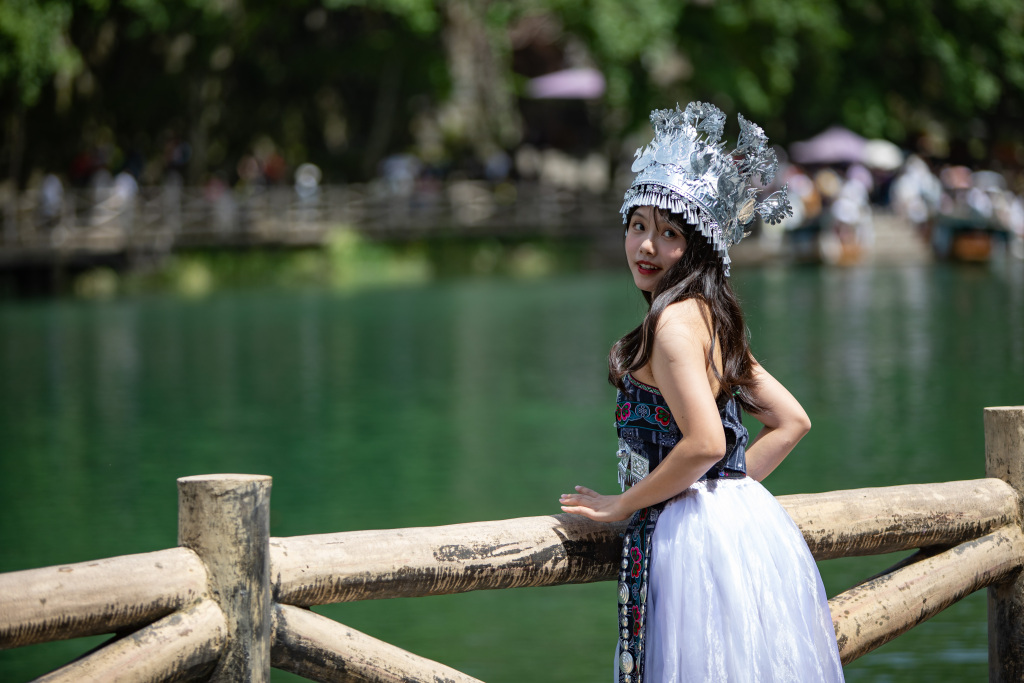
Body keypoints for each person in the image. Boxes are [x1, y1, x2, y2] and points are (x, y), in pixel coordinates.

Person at [559, 103, 844, 682]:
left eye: (668, 234)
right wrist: (724, 499)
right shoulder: (711, 316)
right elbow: (791, 421)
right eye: (637, 225)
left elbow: (707, 442)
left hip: (693, 547)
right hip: (745, 529)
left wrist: (628, 503)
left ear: (695, 249)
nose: (646, 246)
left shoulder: (672, 325)